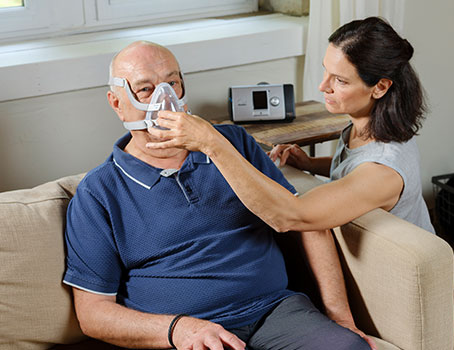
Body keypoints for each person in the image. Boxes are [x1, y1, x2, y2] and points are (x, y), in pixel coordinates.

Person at [62, 41, 373, 350]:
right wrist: (177, 330)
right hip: (190, 334)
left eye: (172, 83)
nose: (164, 99)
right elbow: (93, 313)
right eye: (145, 90)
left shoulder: (233, 144)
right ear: (117, 103)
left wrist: (341, 318)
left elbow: (306, 221)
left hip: (276, 312)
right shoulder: (99, 193)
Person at [147, 17, 435, 235]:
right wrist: (310, 163)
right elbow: (353, 170)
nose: (323, 86)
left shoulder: (384, 171)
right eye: (326, 70)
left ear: (380, 87)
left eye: (341, 80)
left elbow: (290, 216)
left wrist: (211, 143)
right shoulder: (368, 125)